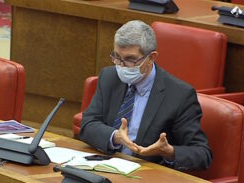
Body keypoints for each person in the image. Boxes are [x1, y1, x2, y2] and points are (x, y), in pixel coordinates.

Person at [79, 20, 212, 171]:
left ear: (152, 57)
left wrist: (169, 152)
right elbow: (88, 124)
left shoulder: (180, 95)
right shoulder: (109, 77)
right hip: (103, 166)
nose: (121, 66)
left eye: (130, 60)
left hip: (146, 174)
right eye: (117, 57)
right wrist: (116, 136)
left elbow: (202, 154)